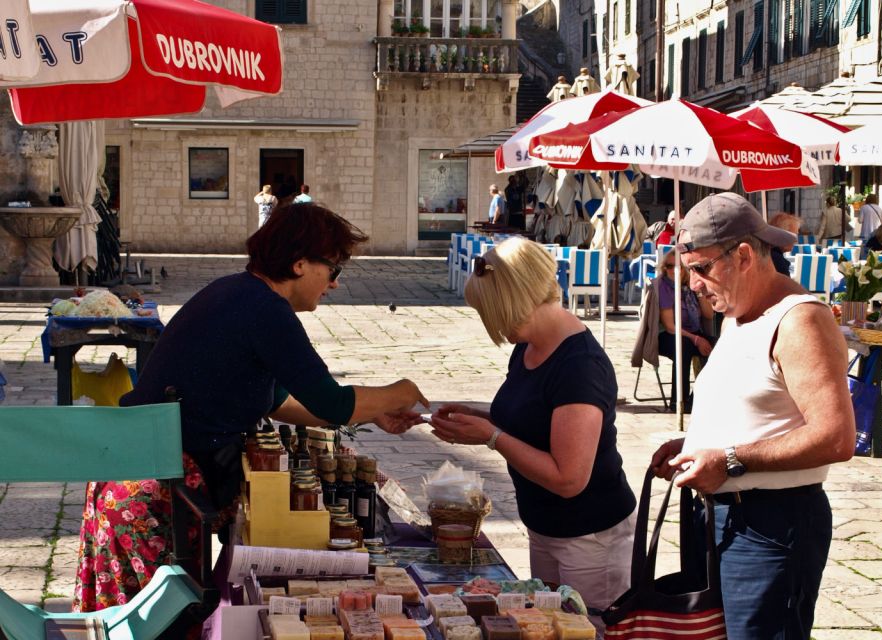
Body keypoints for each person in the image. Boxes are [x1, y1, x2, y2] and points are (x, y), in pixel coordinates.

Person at [73, 203, 429, 612]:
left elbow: (279, 401)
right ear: (300, 264)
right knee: (154, 622)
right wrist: (399, 390)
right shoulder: (265, 310)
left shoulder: (238, 293)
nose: (333, 284)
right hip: (147, 495)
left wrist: (372, 411)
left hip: (136, 480)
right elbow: (331, 401)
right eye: (334, 270)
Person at [649, 192, 855, 639]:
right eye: (688, 272)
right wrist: (692, 445)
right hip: (721, 517)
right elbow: (755, 408)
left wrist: (729, 459)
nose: (694, 285)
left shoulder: (800, 321)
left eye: (702, 269)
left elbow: (836, 437)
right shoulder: (737, 315)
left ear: (744, 255)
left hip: (771, 525)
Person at [430, 238, 636, 613]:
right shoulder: (528, 346)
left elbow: (568, 479)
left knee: (584, 628)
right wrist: (478, 417)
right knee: (546, 623)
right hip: (546, 526)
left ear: (514, 304)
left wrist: (492, 437)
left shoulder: (580, 366)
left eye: (491, 312)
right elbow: (533, 417)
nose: (490, 324)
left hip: (589, 536)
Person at [655, 249, 714, 412]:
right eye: (669, 266)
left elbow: (709, 314)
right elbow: (670, 326)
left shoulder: (690, 287)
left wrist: (700, 292)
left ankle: (699, 396)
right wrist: (696, 339)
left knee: (720, 347)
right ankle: (679, 401)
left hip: (692, 332)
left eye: (678, 267)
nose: (672, 270)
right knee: (683, 347)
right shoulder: (663, 286)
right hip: (666, 336)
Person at [769, 212, 800, 276]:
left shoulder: (767, 253)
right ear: (781, 234)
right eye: (794, 235)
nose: (796, 240)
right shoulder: (777, 260)